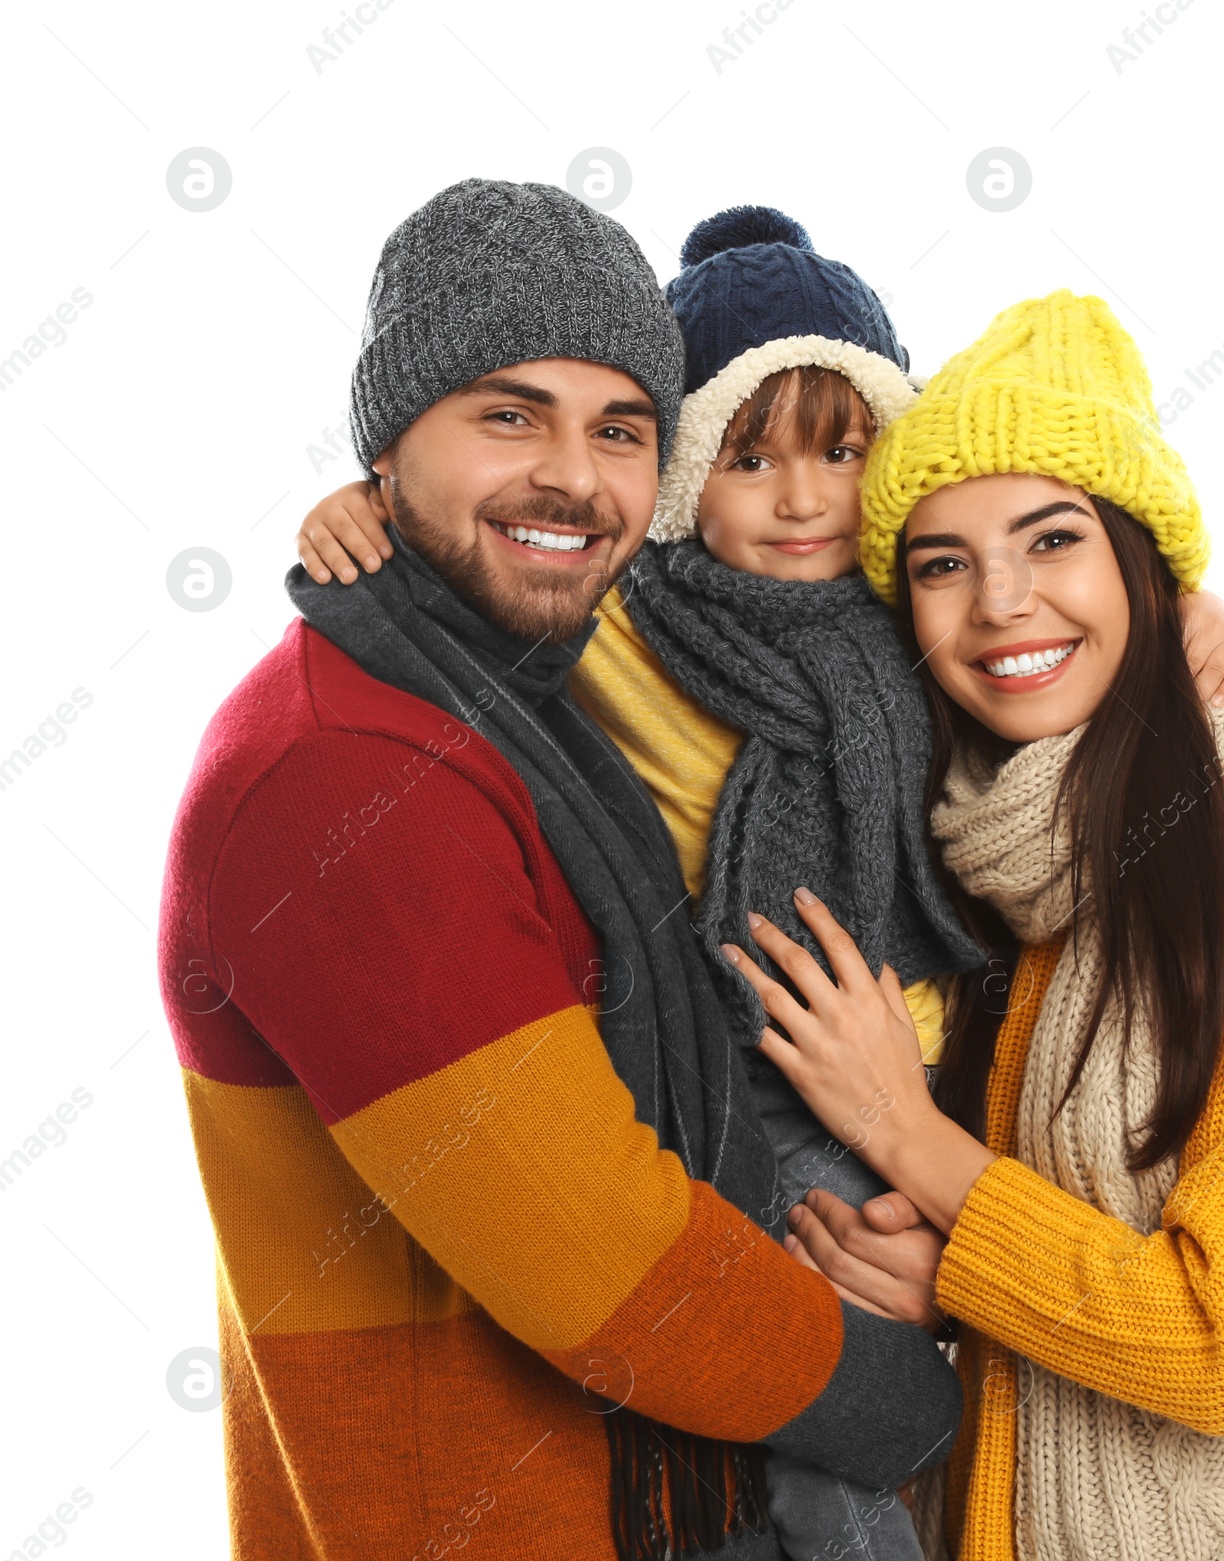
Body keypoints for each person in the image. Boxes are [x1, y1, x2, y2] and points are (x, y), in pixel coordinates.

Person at [157, 178, 965, 1561]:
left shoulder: (512, 697)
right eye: (508, 414)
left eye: (621, 429)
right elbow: (614, 1265)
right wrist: (935, 1393)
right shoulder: (351, 772)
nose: (574, 477)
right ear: (384, 452)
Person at [721, 290, 1224, 1561]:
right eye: (943, 563)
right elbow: (1063, 1266)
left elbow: (1216, 1345)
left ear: (1146, 569)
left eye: (1051, 540)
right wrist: (949, 1289)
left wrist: (899, 1129)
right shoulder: (1005, 884)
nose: (999, 601)